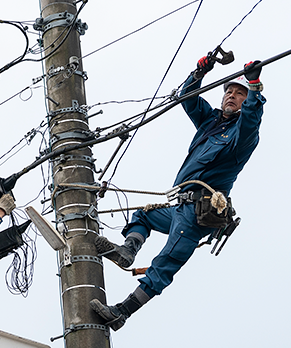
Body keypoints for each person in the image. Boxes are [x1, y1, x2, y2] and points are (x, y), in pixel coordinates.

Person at [90, 56, 266, 330]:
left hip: (198, 214)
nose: (232, 95)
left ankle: (122, 312)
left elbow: (252, 119)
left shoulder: (241, 136)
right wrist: (200, 71)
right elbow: (188, 97)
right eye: (229, 91)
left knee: (165, 262)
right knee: (145, 215)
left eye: (239, 93)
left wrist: (254, 87)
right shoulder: (211, 123)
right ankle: (127, 251)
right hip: (180, 208)